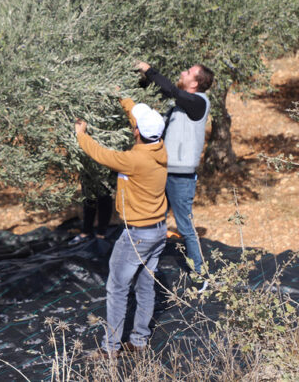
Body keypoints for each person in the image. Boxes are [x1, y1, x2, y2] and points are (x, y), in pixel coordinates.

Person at [75, 98, 167, 353]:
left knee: (117, 288)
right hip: (158, 231)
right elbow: (140, 125)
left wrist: (81, 135)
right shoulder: (160, 147)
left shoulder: (134, 160)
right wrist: (124, 100)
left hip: (137, 234)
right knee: (146, 286)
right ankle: (139, 341)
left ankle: (110, 348)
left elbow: (101, 154)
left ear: (137, 132)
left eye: (134, 126)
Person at [135, 61, 214, 276]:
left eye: (188, 72)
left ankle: (200, 274)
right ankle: (145, 265)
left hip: (181, 178)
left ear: (195, 83)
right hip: (164, 172)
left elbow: (170, 89)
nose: (182, 72)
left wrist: (149, 69)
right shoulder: (178, 107)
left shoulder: (198, 103)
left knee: (185, 227)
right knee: (154, 220)